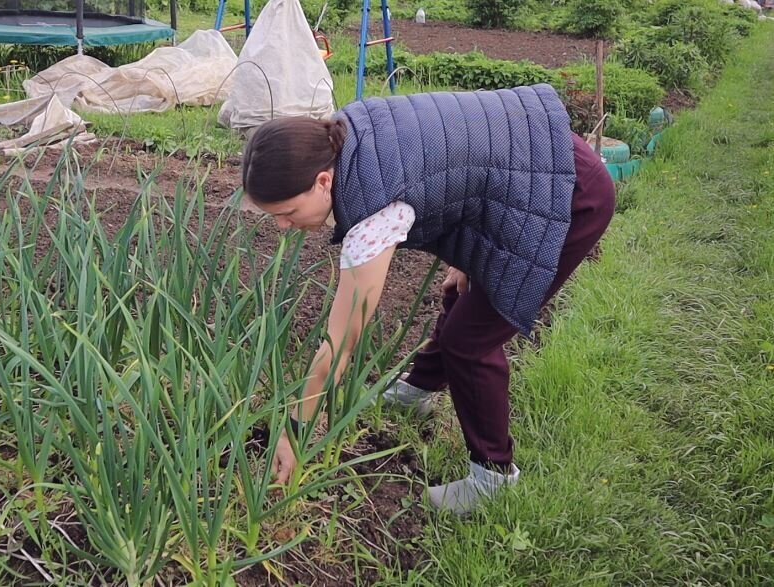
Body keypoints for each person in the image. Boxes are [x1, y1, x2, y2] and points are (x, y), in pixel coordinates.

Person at [240, 83, 615, 514]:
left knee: (470, 342)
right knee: (462, 294)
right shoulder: (347, 135)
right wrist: (473, 257)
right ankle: (419, 391)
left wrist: (293, 428)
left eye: (286, 212)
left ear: (323, 181)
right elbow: (454, 165)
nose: (284, 226)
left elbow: (340, 341)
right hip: (531, 158)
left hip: (566, 196)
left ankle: (493, 476)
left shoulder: (372, 209)